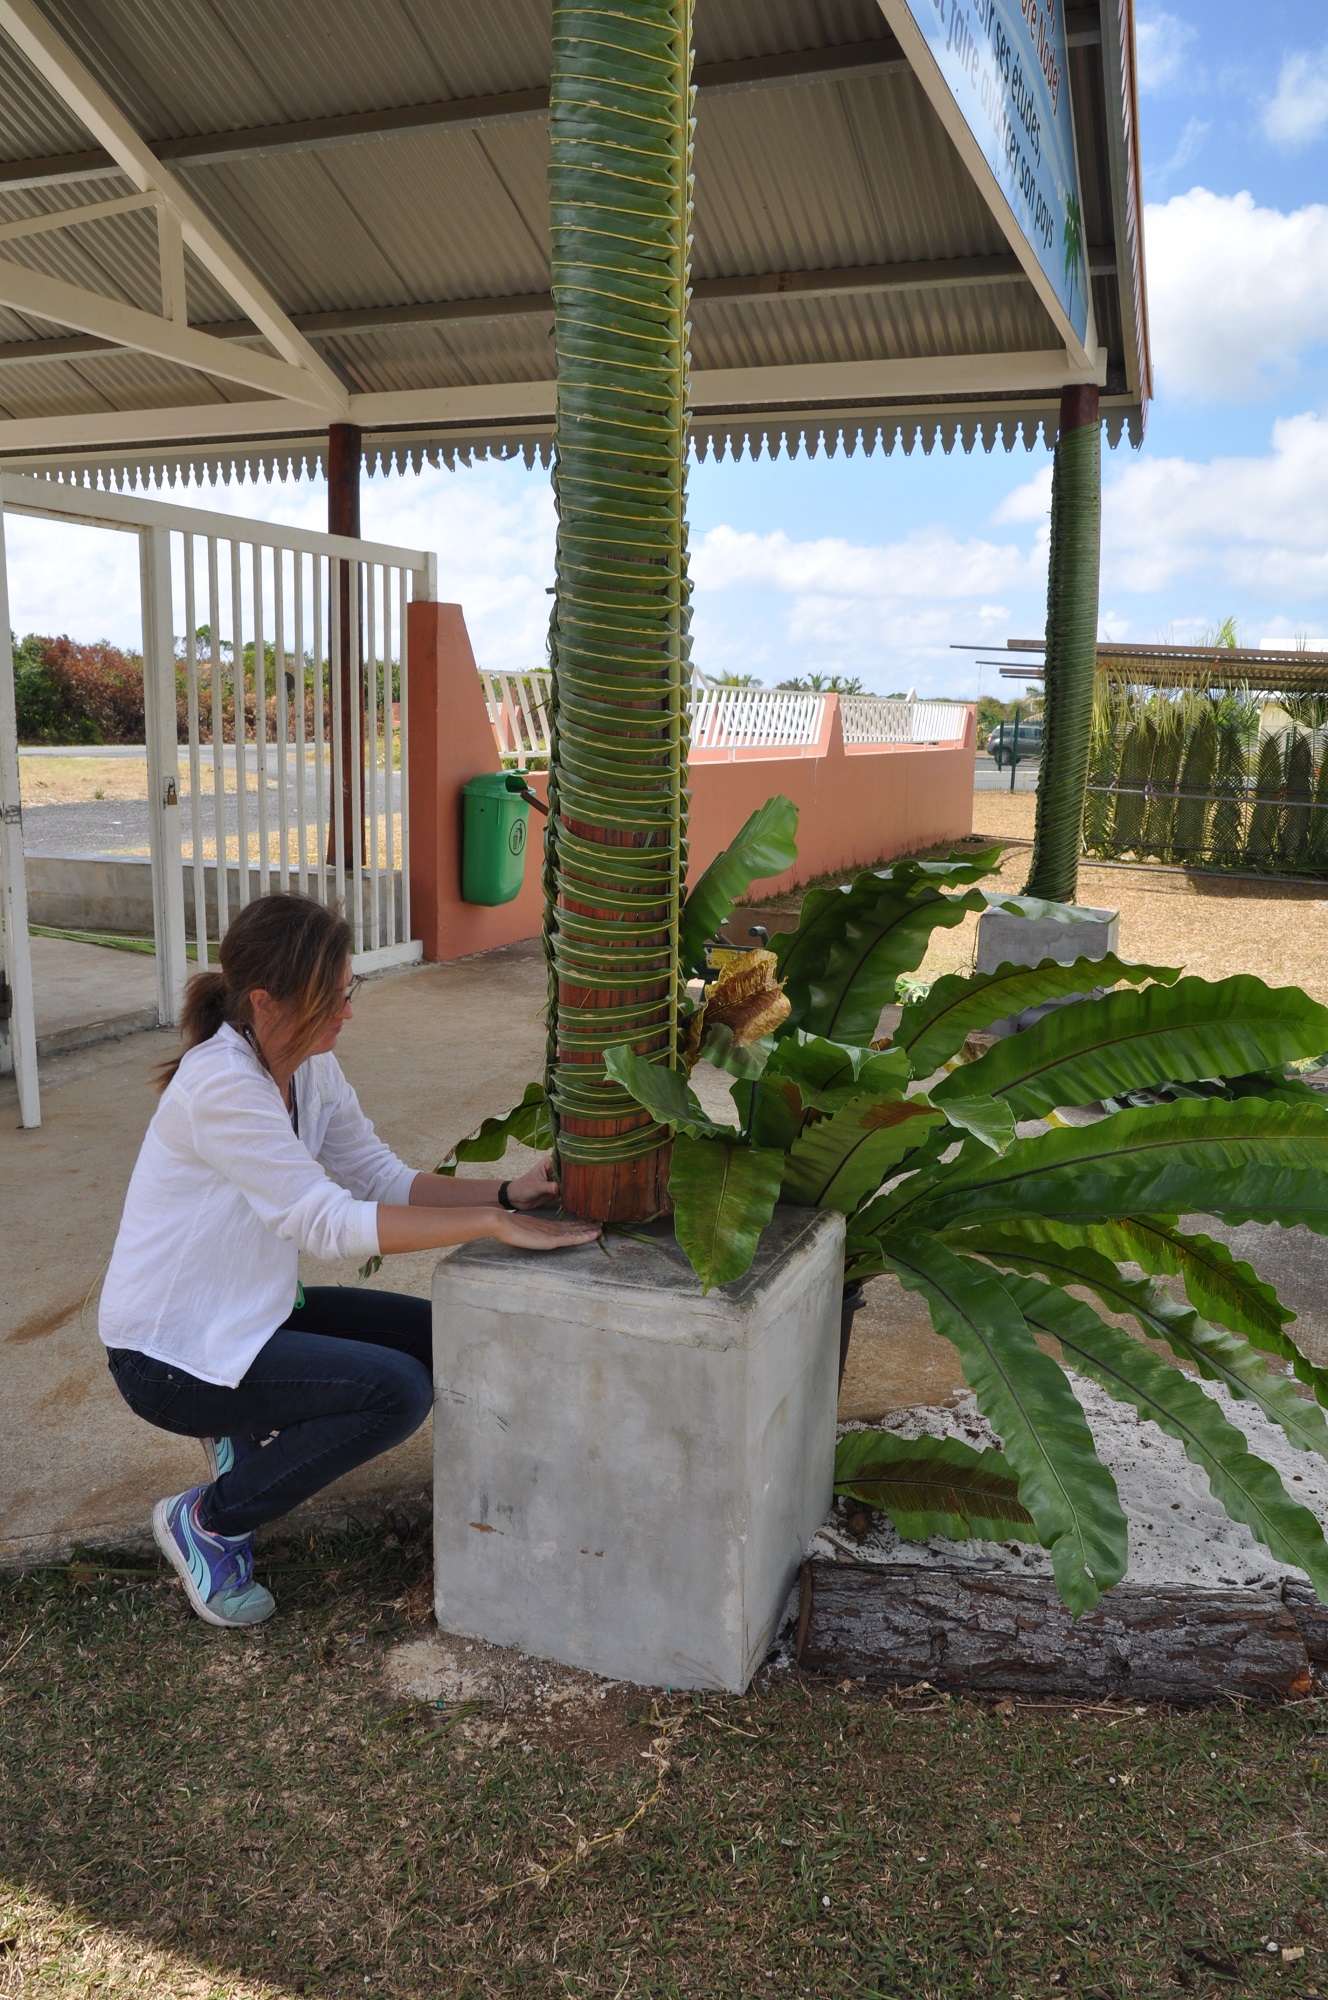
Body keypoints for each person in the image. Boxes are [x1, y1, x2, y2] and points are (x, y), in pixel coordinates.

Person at [99, 891, 599, 1631]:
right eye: (332, 996)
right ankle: (209, 1520)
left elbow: (379, 1177)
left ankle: (241, 1432)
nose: (349, 1011)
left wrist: (506, 1193)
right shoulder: (221, 1086)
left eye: (349, 988)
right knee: (395, 1392)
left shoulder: (306, 1066)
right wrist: (491, 1224)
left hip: (249, 1317)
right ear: (265, 1002)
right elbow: (325, 1222)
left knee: (446, 1338)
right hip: (167, 1357)